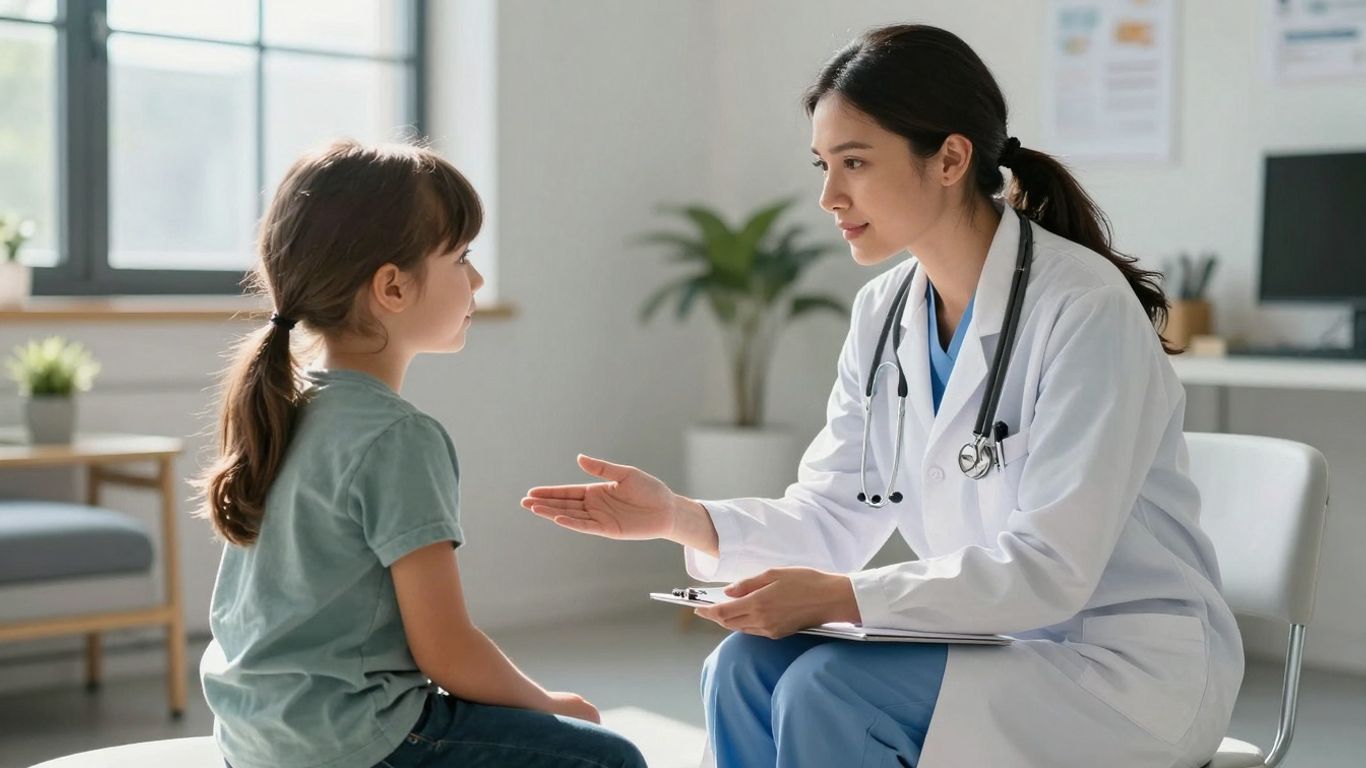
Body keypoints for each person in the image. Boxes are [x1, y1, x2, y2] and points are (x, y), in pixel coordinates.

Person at [522, 24, 1242, 768]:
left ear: (951, 159)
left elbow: (1051, 567)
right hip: (992, 641)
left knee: (830, 690)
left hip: (1119, 666)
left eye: (855, 163)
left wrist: (840, 598)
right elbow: (836, 512)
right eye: (823, 165)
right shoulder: (885, 310)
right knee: (743, 668)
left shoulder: (1082, 307)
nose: (829, 196)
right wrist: (683, 519)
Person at [196, 139, 646, 768]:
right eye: (461, 257)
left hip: (255, 741)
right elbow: (447, 651)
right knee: (608, 756)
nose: (479, 278)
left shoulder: (281, 406)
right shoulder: (398, 437)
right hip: (353, 743)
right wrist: (548, 703)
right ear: (393, 288)